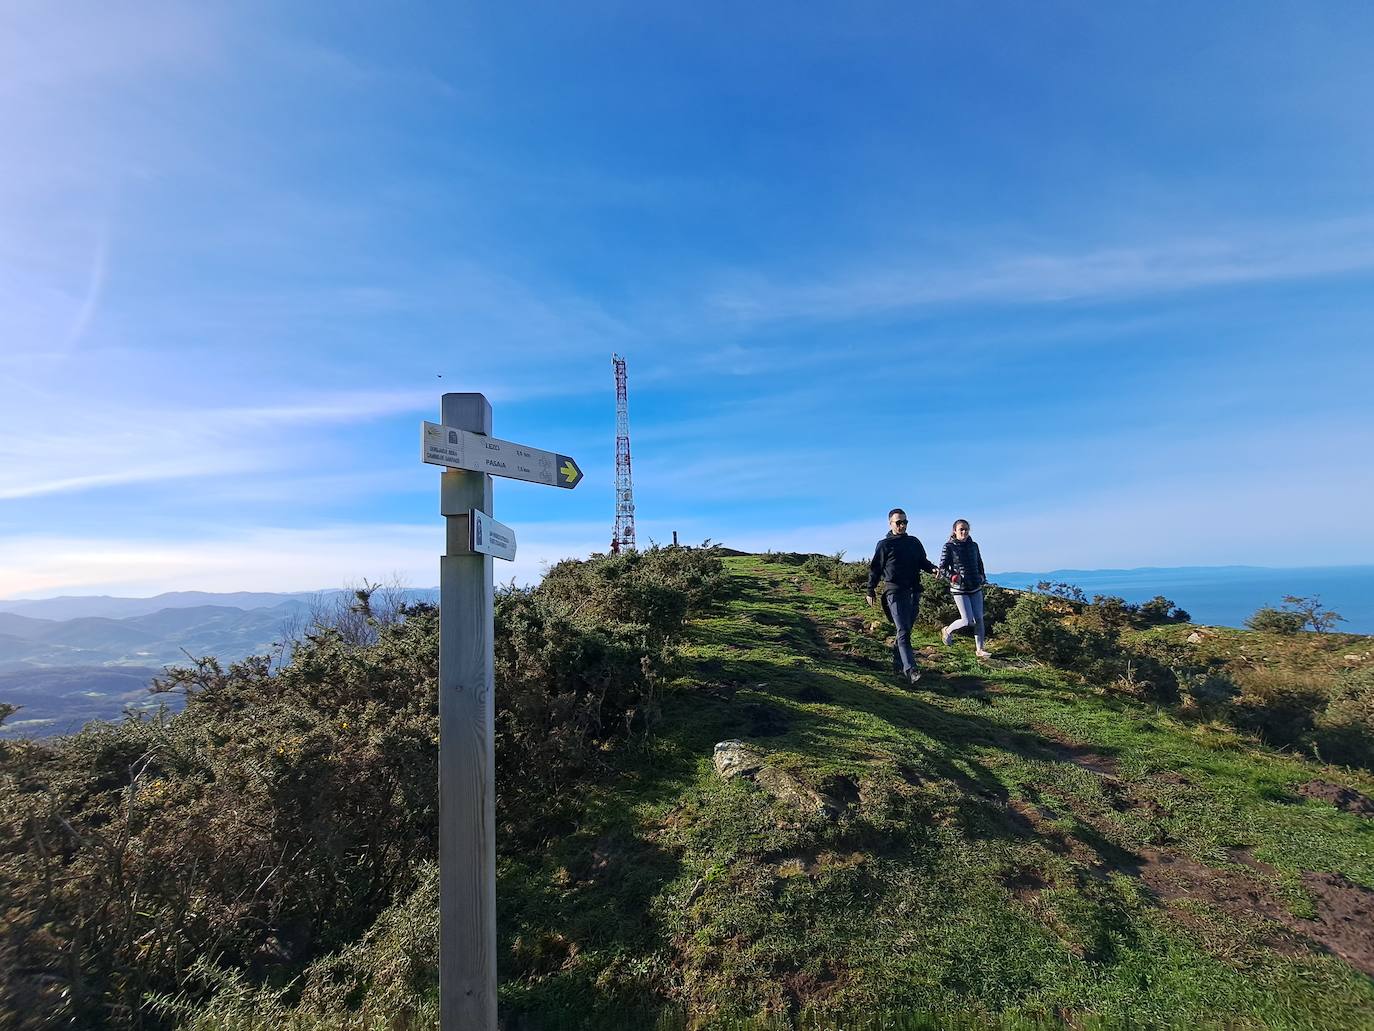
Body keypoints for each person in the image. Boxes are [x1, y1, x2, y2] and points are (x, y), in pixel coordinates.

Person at [866, 508, 937, 685]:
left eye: (905, 522)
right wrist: (870, 590)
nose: (902, 525)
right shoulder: (884, 545)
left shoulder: (914, 542)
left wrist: (932, 569)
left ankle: (897, 663)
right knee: (903, 630)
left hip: (914, 591)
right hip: (894, 592)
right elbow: (875, 569)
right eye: (898, 522)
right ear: (890, 523)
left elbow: (923, 562)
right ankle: (911, 670)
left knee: (905, 630)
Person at [938, 518, 991, 659]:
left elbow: (979, 563)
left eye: (966, 529)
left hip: (975, 586)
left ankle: (980, 650)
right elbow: (942, 568)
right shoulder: (948, 547)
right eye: (961, 529)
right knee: (967, 620)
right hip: (959, 588)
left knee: (979, 619)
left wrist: (982, 576)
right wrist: (954, 577)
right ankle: (947, 631)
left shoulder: (974, 545)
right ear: (954, 531)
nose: (964, 532)